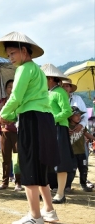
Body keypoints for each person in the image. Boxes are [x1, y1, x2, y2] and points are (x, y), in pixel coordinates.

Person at [0, 31, 59, 224]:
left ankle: (35, 216)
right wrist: (9, 115)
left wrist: (1, 114)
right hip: (44, 119)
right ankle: (49, 210)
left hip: (32, 119)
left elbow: (16, 97)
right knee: (39, 166)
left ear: (24, 50)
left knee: (29, 165)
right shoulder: (37, 70)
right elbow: (25, 100)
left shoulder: (23, 70)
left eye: (12, 53)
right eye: (8, 54)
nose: (10, 58)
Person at [42, 63, 75, 204]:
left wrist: (52, 120)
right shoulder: (47, 93)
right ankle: (46, 191)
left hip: (58, 129)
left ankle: (60, 194)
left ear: (50, 78)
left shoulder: (60, 92)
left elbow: (67, 111)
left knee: (60, 162)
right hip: (48, 130)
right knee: (45, 161)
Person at [61, 79, 93, 190]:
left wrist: (81, 125)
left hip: (80, 144)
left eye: (67, 86)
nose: (65, 88)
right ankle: (67, 185)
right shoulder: (57, 98)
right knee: (71, 167)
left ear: (70, 88)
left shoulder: (77, 99)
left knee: (83, 166)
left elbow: (84, 117)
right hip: (65, 137)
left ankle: (83, 184)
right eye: (63, 85)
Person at [0, 80, 21, 191]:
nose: (11, 88)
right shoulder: (1, 102)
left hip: (17, 133)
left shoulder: (19, 102)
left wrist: (8, 118)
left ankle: (18, 182)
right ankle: (4, 181)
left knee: (17, 158)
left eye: (13, 86)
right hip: (4, 132)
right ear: (6, 89)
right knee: (5, 158)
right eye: (9, 86)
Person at [68, 106, 94, 192]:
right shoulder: (66, 126)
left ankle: (83, 184)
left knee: (83, 169)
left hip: (82, 152)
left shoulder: (81, 126)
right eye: (77, 115)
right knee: (72, 170)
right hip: (72, 153)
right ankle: (67, 186)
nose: (79, 117)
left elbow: (87, 134)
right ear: (70, 116)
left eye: (80, 115)